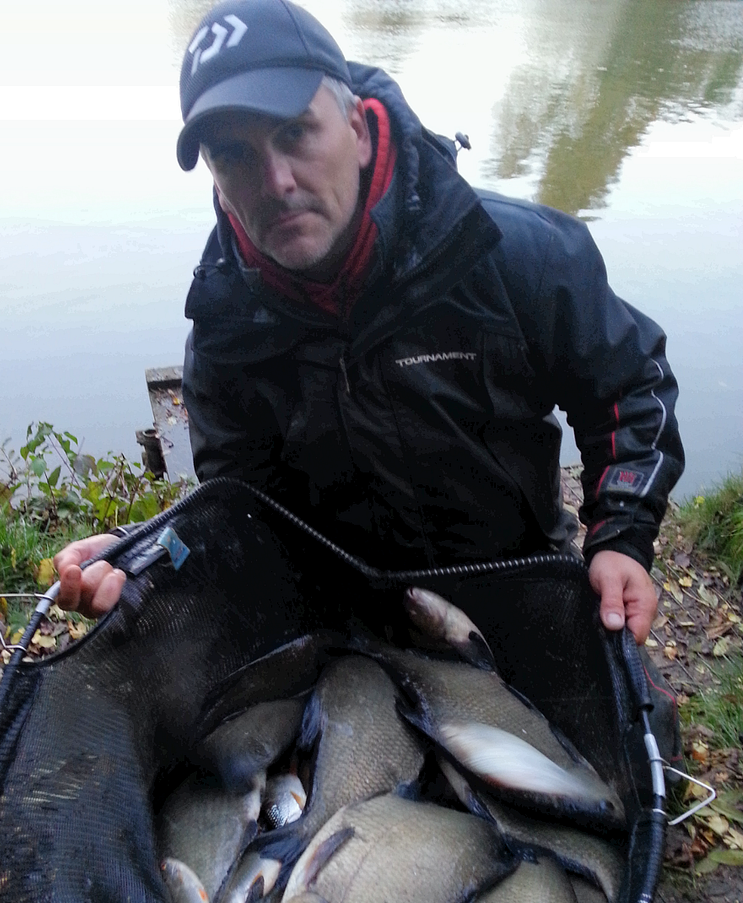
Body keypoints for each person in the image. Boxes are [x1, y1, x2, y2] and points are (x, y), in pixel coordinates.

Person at [55, 0, 684, 655]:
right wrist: (148, 559)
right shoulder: (225, 333)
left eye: (295, 133)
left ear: (357, 129)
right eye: (234, 154)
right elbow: (240, 517)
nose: (276, 181)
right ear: (214, 177)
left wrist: (621, 534)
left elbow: (629, 387)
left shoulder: (516, 253)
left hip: (519, 578)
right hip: (339, 611)